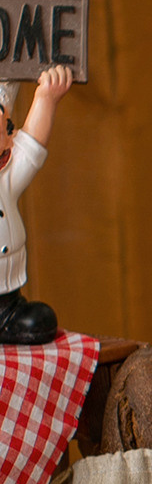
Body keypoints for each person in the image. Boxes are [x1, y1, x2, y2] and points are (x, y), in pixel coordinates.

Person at [0, 65, 72, 346]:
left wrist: (45, 99)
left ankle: (7, 316)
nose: (9, 136)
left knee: (40, 321)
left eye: (8, 127)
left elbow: (31, 143)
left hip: (7, 299)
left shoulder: (6, 177)